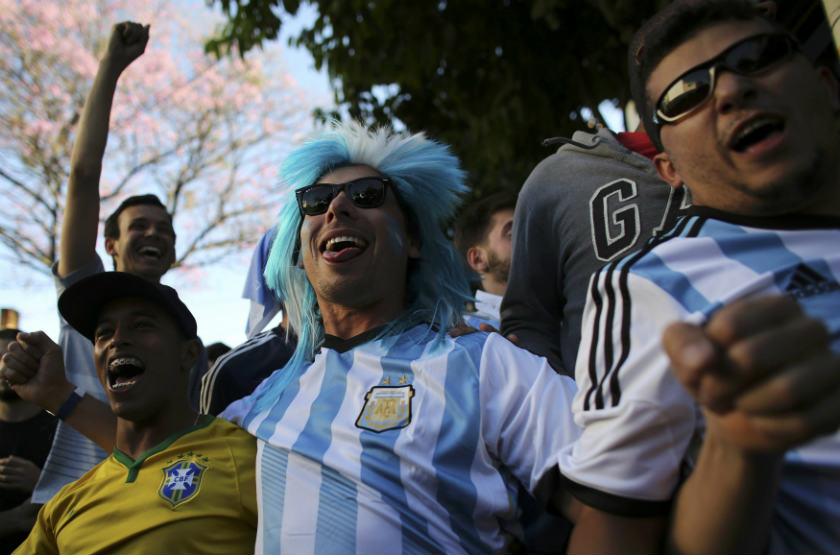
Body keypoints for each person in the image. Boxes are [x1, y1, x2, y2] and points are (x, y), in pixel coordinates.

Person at [221, 121, 581, 554]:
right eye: (315, 202)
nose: (336, 208)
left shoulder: (483, 362)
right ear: (299, 249)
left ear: (413, 239)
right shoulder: (257, 403)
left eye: (367, 195)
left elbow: (612, 499)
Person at [559, 1, 840, 552]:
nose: (733, 90)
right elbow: (614, 531)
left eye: (756, 57)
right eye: (686, 95)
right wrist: (737, 444)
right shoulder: (653, 283)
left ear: (827, 85)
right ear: (669, 170)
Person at [35, 21, 207, 504]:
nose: (155, 234)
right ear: (109, 244)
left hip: (143, 512)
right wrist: (111, 67)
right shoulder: (82, 290)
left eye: (165, 229)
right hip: (62, 509)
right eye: (139, 227)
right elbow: (84, 174)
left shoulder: (185, 342)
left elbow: (175, 444)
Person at [2, 272, 256, 554]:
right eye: (104, 333)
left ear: (189, 354)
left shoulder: (246, 457)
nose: (117, 340)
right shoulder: (66, 504)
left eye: (142, 325)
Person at [500, 123, 688, 375]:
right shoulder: (555, 180)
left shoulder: (749, 166)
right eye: (507, 233)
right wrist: (567, 401)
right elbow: (528, 321)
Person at [0, 329, 56, 554]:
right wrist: (14, 519)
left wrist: (43, 484)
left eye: (13, 359)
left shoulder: (68, 434)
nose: (4, 369)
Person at [453, 192, 516, 328]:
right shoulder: (464, 336)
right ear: (477, 259)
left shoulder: (565, 319)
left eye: (530, 230)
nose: (529, 239)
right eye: (512, 234)